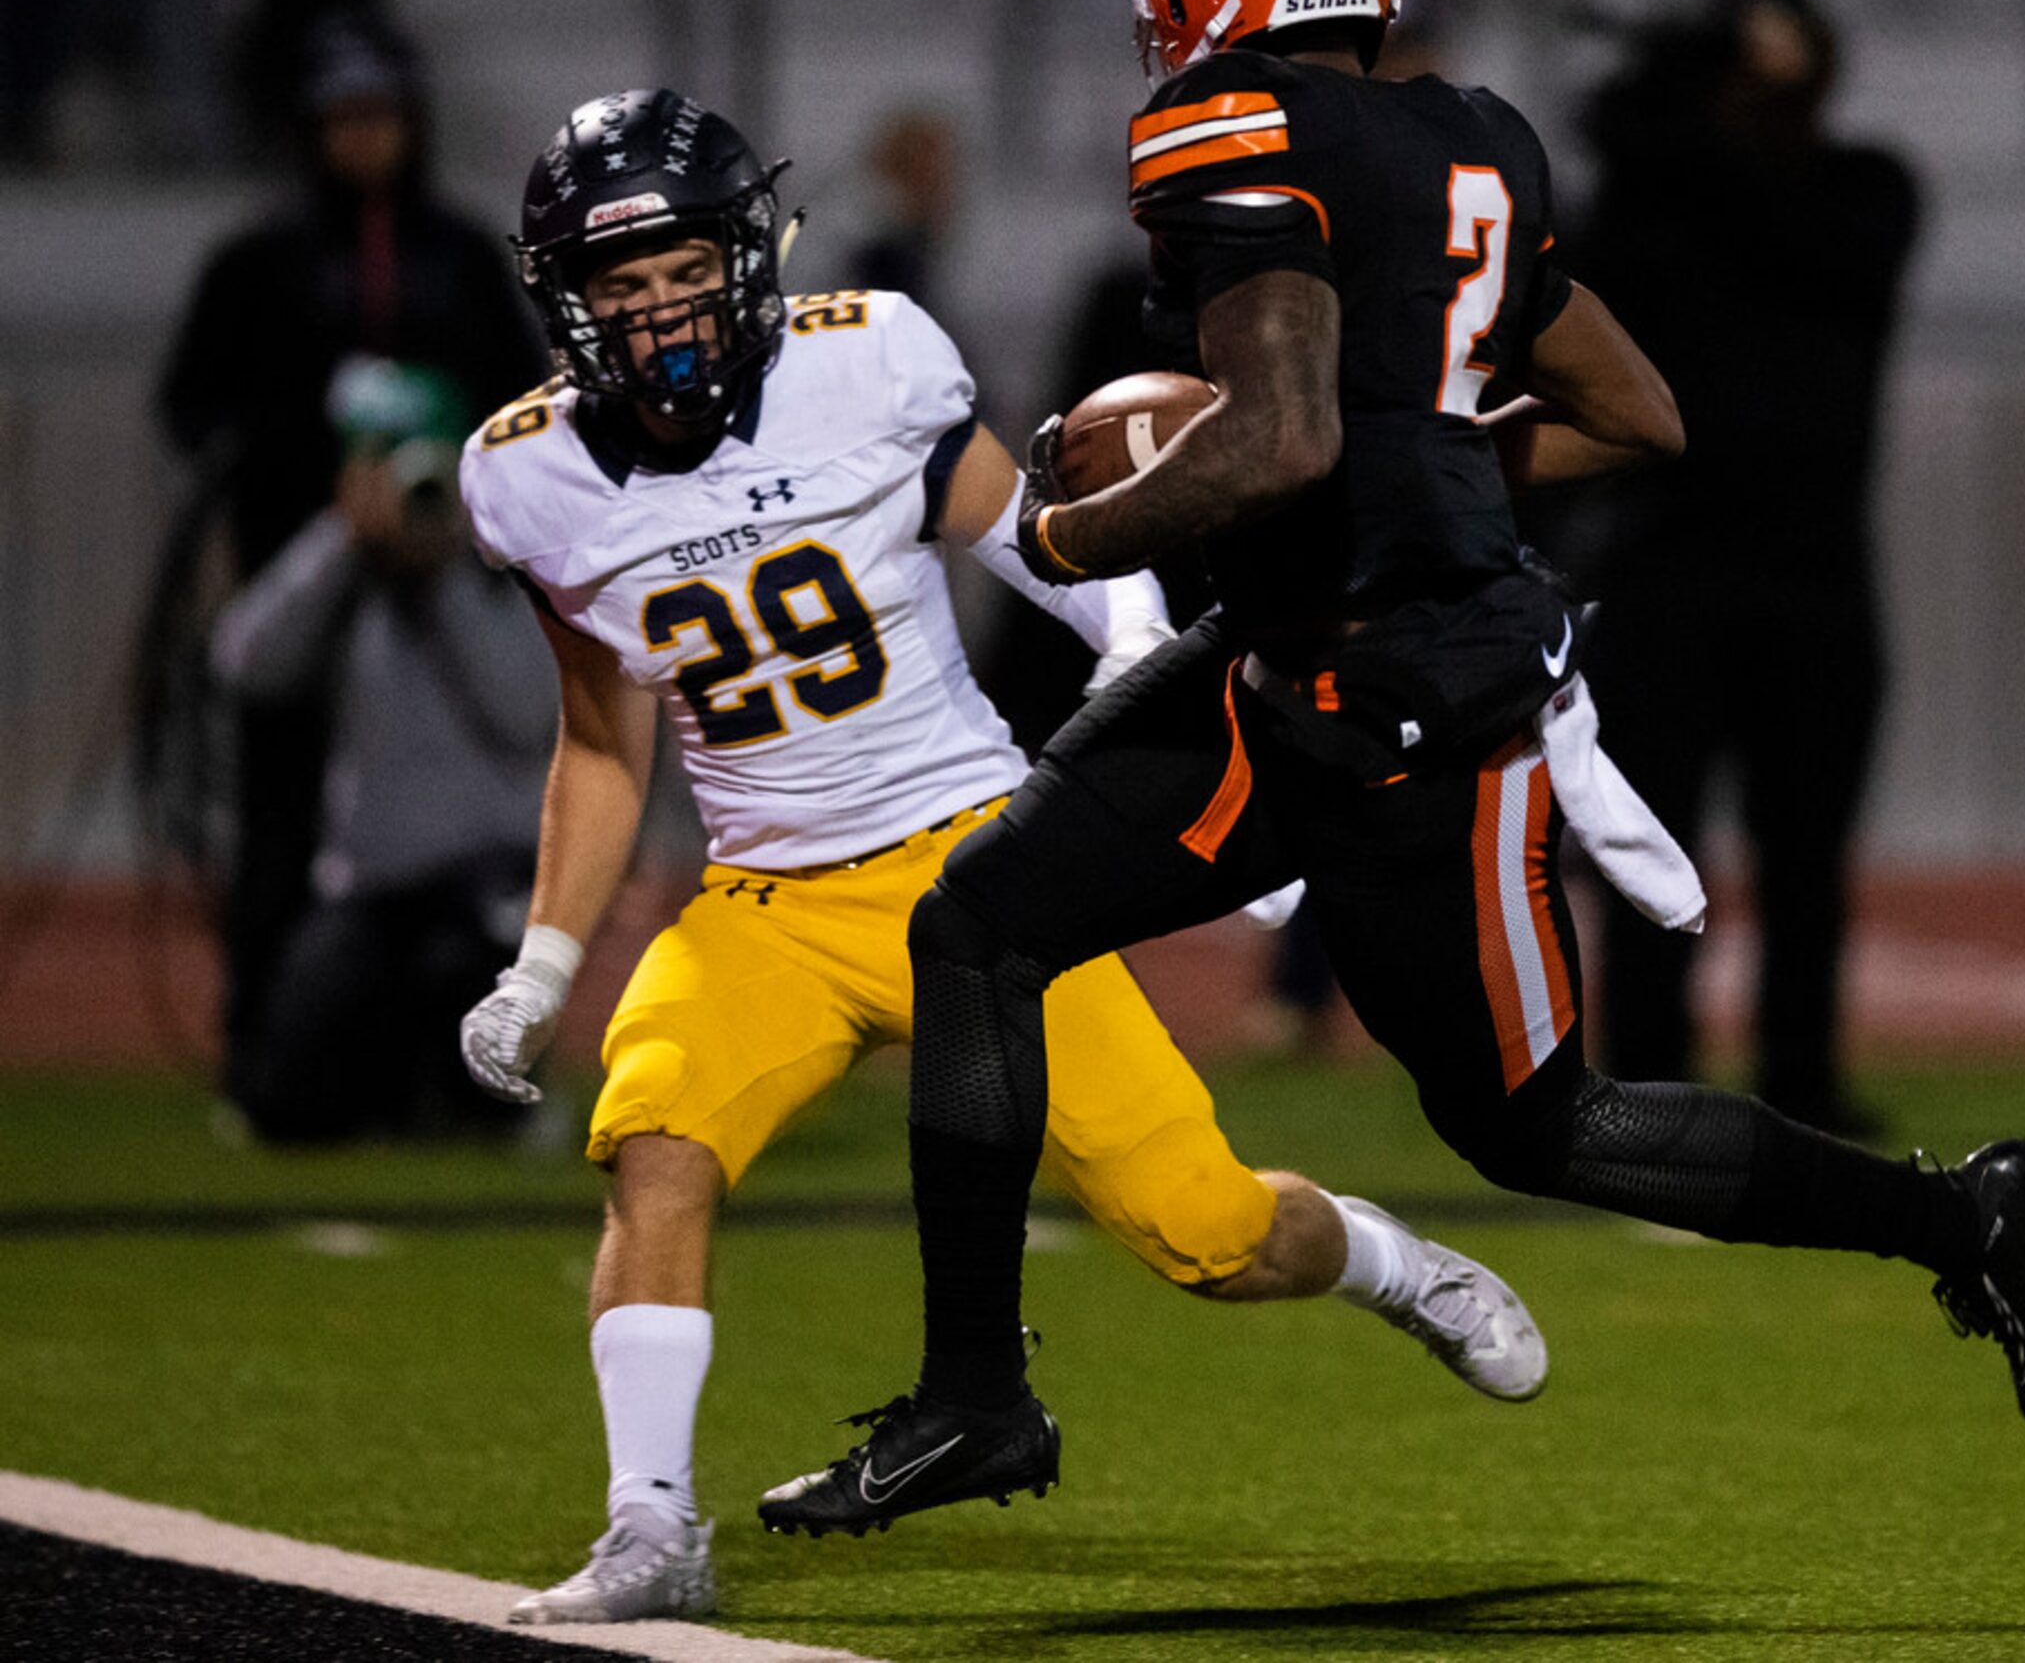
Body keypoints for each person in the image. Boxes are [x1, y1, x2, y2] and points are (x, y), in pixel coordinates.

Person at [759, 0, 2025, 1538]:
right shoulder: (1473, 137)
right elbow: (1630, 413)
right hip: (1304, 661)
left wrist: (1080, 539)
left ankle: (1955, 1215)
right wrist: (1419, 455)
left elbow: (1285, 438)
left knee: (1541, 1128)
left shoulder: (1223, 117)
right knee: (982, 921)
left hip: (1411, 710)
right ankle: (971, 1401)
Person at [455, 88, 1551, 1625]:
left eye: (685, 272)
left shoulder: (865, 365)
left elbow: (1029, 530)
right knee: (655, 1142)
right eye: (621, 288)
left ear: (746, 260)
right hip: (762, 899)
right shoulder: (529, 475)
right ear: (570, 301)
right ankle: (652, 1530)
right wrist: (545, 964)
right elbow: (597, 736)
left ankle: (1385, 1260)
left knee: (1207, 1230)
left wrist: (1136, 639)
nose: (659, 315)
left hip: (976, 868)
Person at [1550, 0, 1922, 1137]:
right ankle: (1647, 1085)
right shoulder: (1659, 196)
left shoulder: (1864, 188)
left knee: (1805, 855)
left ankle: (1799, 1081)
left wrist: (1692, 86)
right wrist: (1686, 78)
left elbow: (1790, 234)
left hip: (1812, 574)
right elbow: (1611, 202)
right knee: (1649, 842)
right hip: (1669, 565)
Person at [154, 12, 547, 1118]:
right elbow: (193, 407)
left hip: (447, 583)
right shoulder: (256, 260)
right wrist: (295, 479)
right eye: (344, 117)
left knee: (471, 813)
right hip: (305, 572)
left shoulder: (461, 256)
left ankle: (469, 1060)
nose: (364, 138)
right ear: (312, 128)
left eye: (382, 116)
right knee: (279, 823)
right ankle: (263, 1048)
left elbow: (525, 406)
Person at [208, 357, 555, 1142]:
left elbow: (525, 714)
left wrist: (445, 579)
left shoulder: (507, 574)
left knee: (471, 1054)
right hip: (370, 891)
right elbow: (245, 667)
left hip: (488, 884)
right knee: (287, 1099)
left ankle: (479, 1099)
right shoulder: (348, 583)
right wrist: (343, 540)